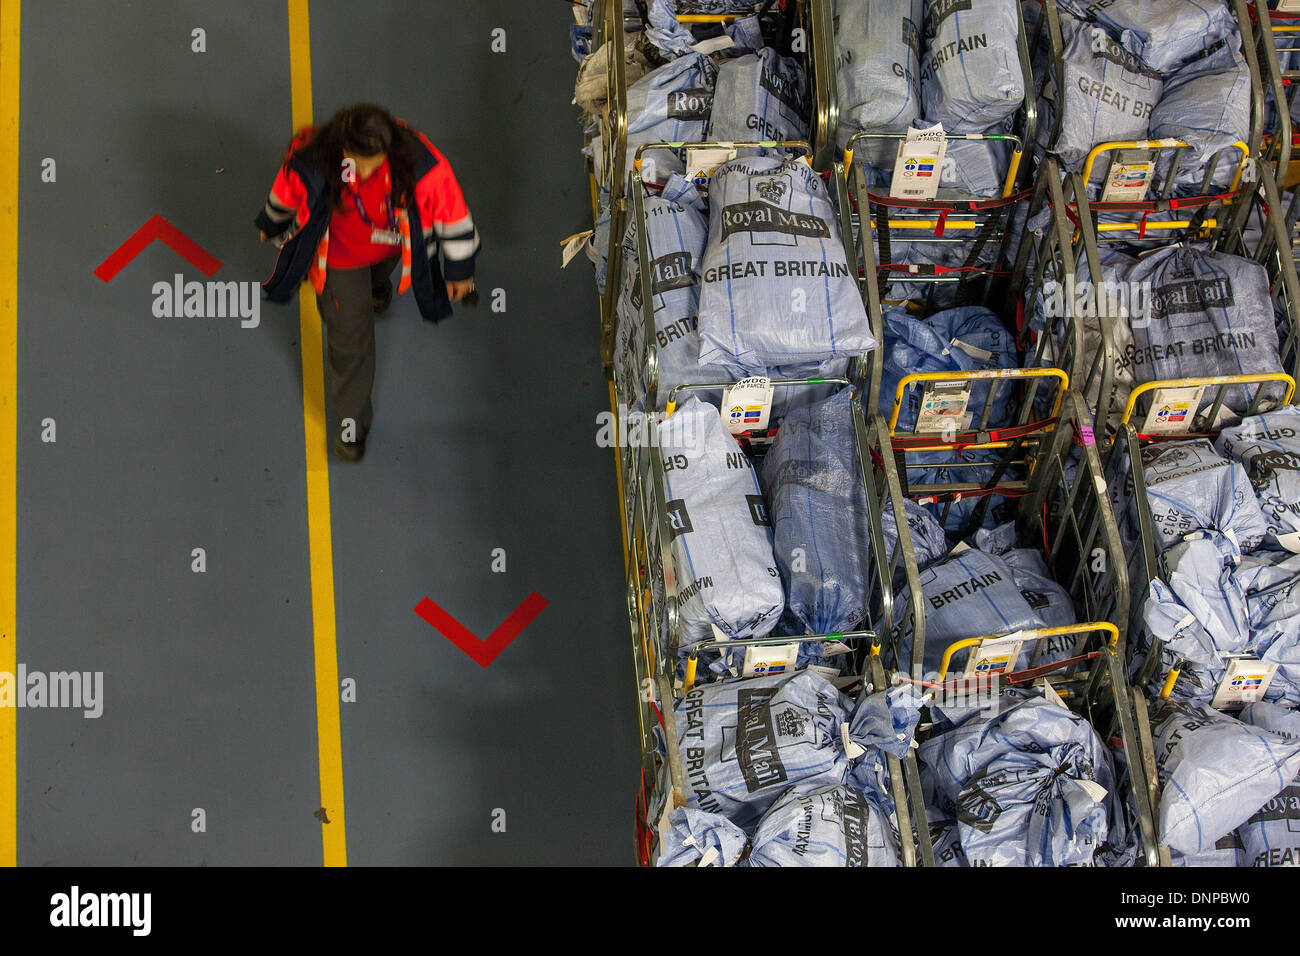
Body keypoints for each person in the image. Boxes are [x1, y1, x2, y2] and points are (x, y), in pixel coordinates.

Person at [255, 104, 480, 462]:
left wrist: (460, 270)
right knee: (350, 344)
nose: (361, 172)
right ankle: (353, 426)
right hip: (339, 260)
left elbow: (451, 212)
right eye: (355, 161)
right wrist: (272, 222)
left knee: (378, 276)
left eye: (372, 164)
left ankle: (376, 288)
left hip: (391, 248)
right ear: (341, 145)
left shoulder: (423, 164)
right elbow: (287, 190)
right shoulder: (312, 156)